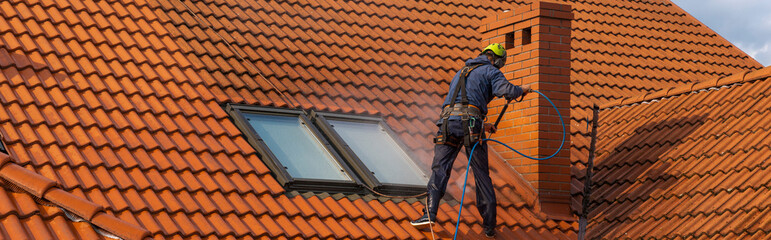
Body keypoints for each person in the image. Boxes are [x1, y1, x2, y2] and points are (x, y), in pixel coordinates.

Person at [410, 43, 531, 238]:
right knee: (481, 173)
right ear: (497, 60)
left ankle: (429, 214)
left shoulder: (461, 72)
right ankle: (489, 226)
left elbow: (461, 106)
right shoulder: (491, 71)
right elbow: (506, 90)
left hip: (447, 124)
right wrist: (521, 89)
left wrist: (483, 125)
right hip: (471, 125)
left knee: (439, 170)